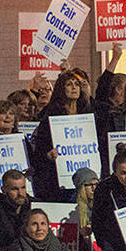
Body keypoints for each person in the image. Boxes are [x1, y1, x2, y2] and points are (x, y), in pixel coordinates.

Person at [30, 70, 97, 202]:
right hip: (59, 182)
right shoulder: (50, 119)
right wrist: (48, 156)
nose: (74, 87)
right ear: (61, 89)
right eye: (69, 84)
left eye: (76, 84)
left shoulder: (89, 115)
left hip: (86, 180)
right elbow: (38, 154)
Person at [0, 169, 32, 250]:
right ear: (4, 190)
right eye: (15, 189)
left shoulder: (34, 205)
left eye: (23, 188)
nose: (20, 193)